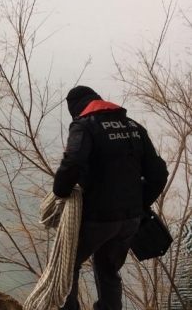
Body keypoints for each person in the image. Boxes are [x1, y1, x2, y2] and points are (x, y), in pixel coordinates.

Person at [53, 86, 168, 310]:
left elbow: (73, 162)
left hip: (97, 218)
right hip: (130, 220)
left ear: (76, 109)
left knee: (66, 266)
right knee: (108, 271)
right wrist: (140, 202)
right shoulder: (134, 126)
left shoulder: (84, 126)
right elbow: (158, 173)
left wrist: (60, 192)